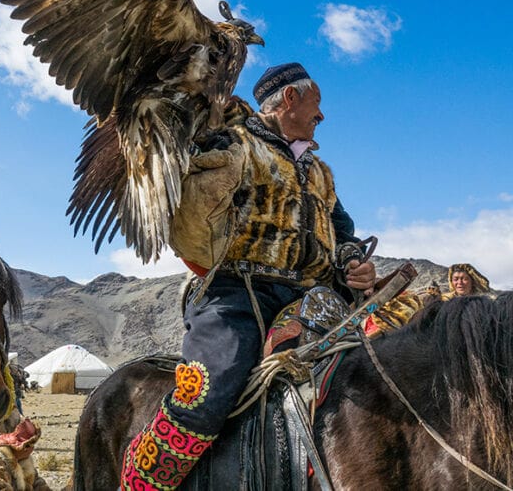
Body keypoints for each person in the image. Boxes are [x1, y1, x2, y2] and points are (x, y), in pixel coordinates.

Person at [120, 63, 377, 490]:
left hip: (310, 299)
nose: (322, 116)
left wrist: (353, 263)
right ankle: (141, 485)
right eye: (317, 104)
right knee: (205, 396)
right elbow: (192, 207)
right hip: (236, 294)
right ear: (290, 100)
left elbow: (343, 230)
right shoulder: (236, 145)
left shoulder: (319, 171)